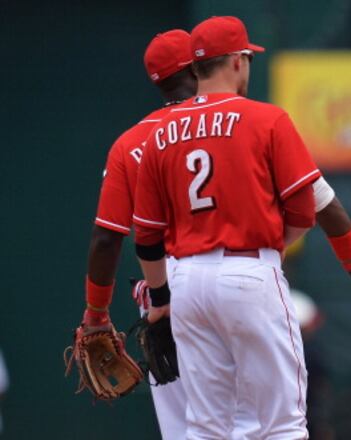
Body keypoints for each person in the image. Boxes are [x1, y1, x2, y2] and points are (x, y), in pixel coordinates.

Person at [131, 15, 347, 439]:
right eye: (247, 57)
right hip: (248, 268)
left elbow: (147, 236)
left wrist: (159, 299)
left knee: (206, 425)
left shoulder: (159, 134)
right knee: (282, 422)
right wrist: (277, 243)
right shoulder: (265, 119)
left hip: (186, 280)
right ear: (237, 61)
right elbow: (307, 208)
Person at [81, 29, 195, 440]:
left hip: (162, 289)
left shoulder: (130, 143)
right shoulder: (235, 125)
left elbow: (108, 238)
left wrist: (96, 314)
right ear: (199, 66)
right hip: (239, 278)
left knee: (186, 429)